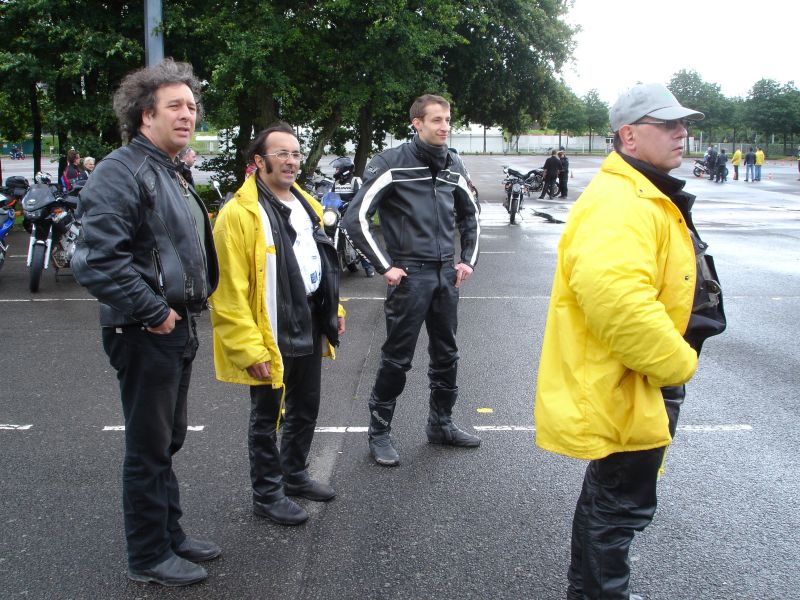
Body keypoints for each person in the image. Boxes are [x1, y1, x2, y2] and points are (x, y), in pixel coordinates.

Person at [535, 82, 726, 600]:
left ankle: (592, 592)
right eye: (667, 124)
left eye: (683, 124)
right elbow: (620, 303)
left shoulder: (641, 191)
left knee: (611, 498)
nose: (681, 133)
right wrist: (678, 365)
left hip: (636, 378)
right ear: (630, 135)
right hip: (635, 379)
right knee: (619, 506)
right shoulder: (623, 201)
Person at [71, 59, 220, 587]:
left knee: (166, 440)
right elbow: (94, 260)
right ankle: (149, 554)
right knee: (148, 447)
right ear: (144, 115)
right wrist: (154, 311)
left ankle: (169, 534)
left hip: (175, 328)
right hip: (143, 330)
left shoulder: (168, 170)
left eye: (192, 106)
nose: (187, 115)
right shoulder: (122, 170)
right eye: (175, 106)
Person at [210, 122, 346, 526]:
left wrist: (334, 311)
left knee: (305, 406)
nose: (291, 161)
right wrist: (248, 349)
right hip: (270, 325)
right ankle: (267, 494)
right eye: (281, 153)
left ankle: (294, 474)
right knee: (267, 417)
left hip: (309, 318)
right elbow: (228, 291)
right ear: (259, 161)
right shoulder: (238, 214)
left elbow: (319, 263)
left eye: (296, 153)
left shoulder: (307, 203)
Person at [342, 94, 481, 467]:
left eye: (448, 120)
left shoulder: (453, 164)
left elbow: (470, 214)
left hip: (445, 275)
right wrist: (385, 266)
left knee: (447, 354)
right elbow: (355, 218)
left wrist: (467, 260)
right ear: (416, 123)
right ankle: (379, 433)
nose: (444, 126)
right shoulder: (391, 163)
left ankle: (441, 425)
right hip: (410, 276)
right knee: (397, 358)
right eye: (436, 120)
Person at [329, 155, 374, 277]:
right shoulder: (336, 183)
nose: (336, 171)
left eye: (337, 169)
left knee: (358, 237)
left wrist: (350, 203)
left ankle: (368, 266)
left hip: (353, 213)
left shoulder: (355, 181)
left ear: (345, 169)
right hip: (338, 213)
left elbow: (360, 197)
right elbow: (331, 197)